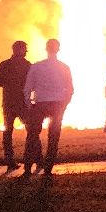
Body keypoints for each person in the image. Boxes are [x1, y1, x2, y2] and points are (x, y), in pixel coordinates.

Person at [23, 38, 73, 176]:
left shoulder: (37, 66)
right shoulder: (64, 67)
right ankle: (48, 169)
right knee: (53, 137)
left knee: (32, 135)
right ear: (58, 49)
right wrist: (64, 104)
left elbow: (28, 87)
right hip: (57, 104)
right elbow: (69, 89)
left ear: (46, 49)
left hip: (40, 104)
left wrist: (29, 104)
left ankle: (27, 168)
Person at [0, 40, 32, 172]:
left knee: (8, 132)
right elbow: (32, 83)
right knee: (32, 131)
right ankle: (33, 158)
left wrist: (8, 83)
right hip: (22, 103)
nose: (26, 51)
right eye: (25, 49)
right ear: (20, 50)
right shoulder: (27, 65)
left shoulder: (4, 64)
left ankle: (9, 161)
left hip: (8, 103)